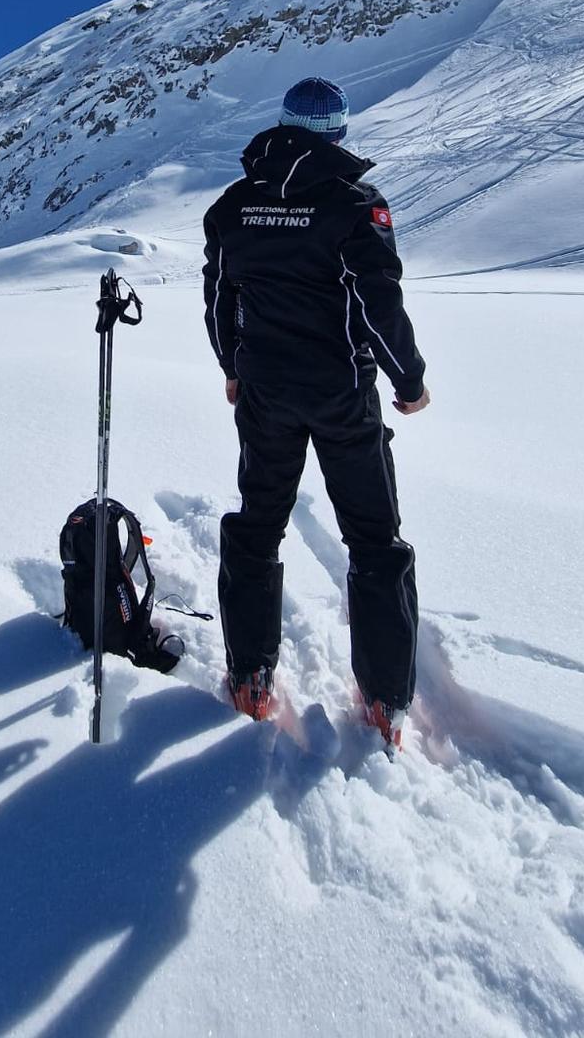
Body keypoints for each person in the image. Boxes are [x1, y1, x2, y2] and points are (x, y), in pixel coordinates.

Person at [201, 76, 430, 750]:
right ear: (338, 133)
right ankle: (386, 702)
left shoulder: (234, 205)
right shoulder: (353, 204)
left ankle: (250, 677)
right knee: (374, 538)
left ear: (282, 126)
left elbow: (220, 300)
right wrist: (408, 379)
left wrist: (233, 369)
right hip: (340, 394)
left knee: (257, 525)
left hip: (267, 392)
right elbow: (377, 302)